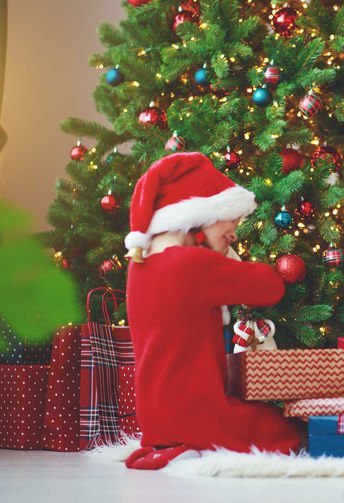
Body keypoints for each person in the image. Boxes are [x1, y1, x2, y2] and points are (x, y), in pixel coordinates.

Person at [122, 152, 302, 470]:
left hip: (155, 419)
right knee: (288, 433)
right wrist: (229, 256)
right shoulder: (190, 264)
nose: (234, 232)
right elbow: (270, 287)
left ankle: (179, 445)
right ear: (201, 213)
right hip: (197, 414)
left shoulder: (140, 266)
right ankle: (201, 446)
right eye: (231, 218)